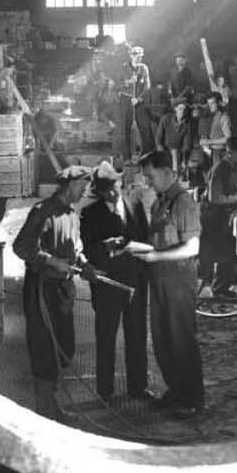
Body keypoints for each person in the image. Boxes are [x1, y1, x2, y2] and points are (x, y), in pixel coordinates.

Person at [11, 164, 93, 420]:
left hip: (62, 291)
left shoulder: (72, 214)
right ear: (71, 185)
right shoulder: (43, 211)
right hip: (41, 290)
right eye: (83, 186)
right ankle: (45, 410)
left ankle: (51, 405)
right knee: (44, 348)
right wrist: (53, 261)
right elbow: (21, 247)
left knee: (63, 348)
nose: (85, 192)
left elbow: (76, 247)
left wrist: (84, 262)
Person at [129, 150, 204, 416]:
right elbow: (158, 241)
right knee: (162, 339)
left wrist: (155, 256)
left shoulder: (183, 202)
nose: (148, 183)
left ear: (167, 172)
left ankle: (192, 399)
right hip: (159, 279)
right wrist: (136, 248)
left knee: (181, 339)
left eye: (151, 177)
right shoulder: (159, 203)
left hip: (178, 281)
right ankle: (176, 390)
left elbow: (192, 247)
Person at [77, 163, 154, 401]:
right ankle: (105, 391)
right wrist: (105, 246)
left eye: (114, 186)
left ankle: (138, 388)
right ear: (98, 191)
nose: (111, 193)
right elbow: (87, 250)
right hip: (107, 285)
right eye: (105, 190)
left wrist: (144, 270)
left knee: (137, 335)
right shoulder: (90, 214)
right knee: (106, 337)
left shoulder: (135, 205)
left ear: (120, 183)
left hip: (135, 282)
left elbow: (146, 239)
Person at [200, 136, 237, 299]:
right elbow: (214, 197)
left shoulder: (236, 167)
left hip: (222, 214)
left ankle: (220, 287)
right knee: (222, 252)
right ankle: (216, 289)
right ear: (230, 152)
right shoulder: (221, 168)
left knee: (229, 250)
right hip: (211, 215)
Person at [156, 99, 197, 169]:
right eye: (180, 109)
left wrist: (184, 159)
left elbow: (186, 143)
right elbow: (159, 135)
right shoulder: (166, 119)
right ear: (175, 109)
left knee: (178, 159)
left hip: (178, 151)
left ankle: (176, 172)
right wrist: (159, 146)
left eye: (184, 109)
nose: (182, 111)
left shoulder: (187, 124)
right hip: (165, 149)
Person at [198, 91, 232, 160]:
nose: (209, 106)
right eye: (208, 103)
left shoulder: (224, 117)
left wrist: (209, 141)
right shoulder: (212, 116)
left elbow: (228, 138)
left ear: (219, 103)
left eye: (212, 103)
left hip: (220, 152)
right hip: (211, 152)